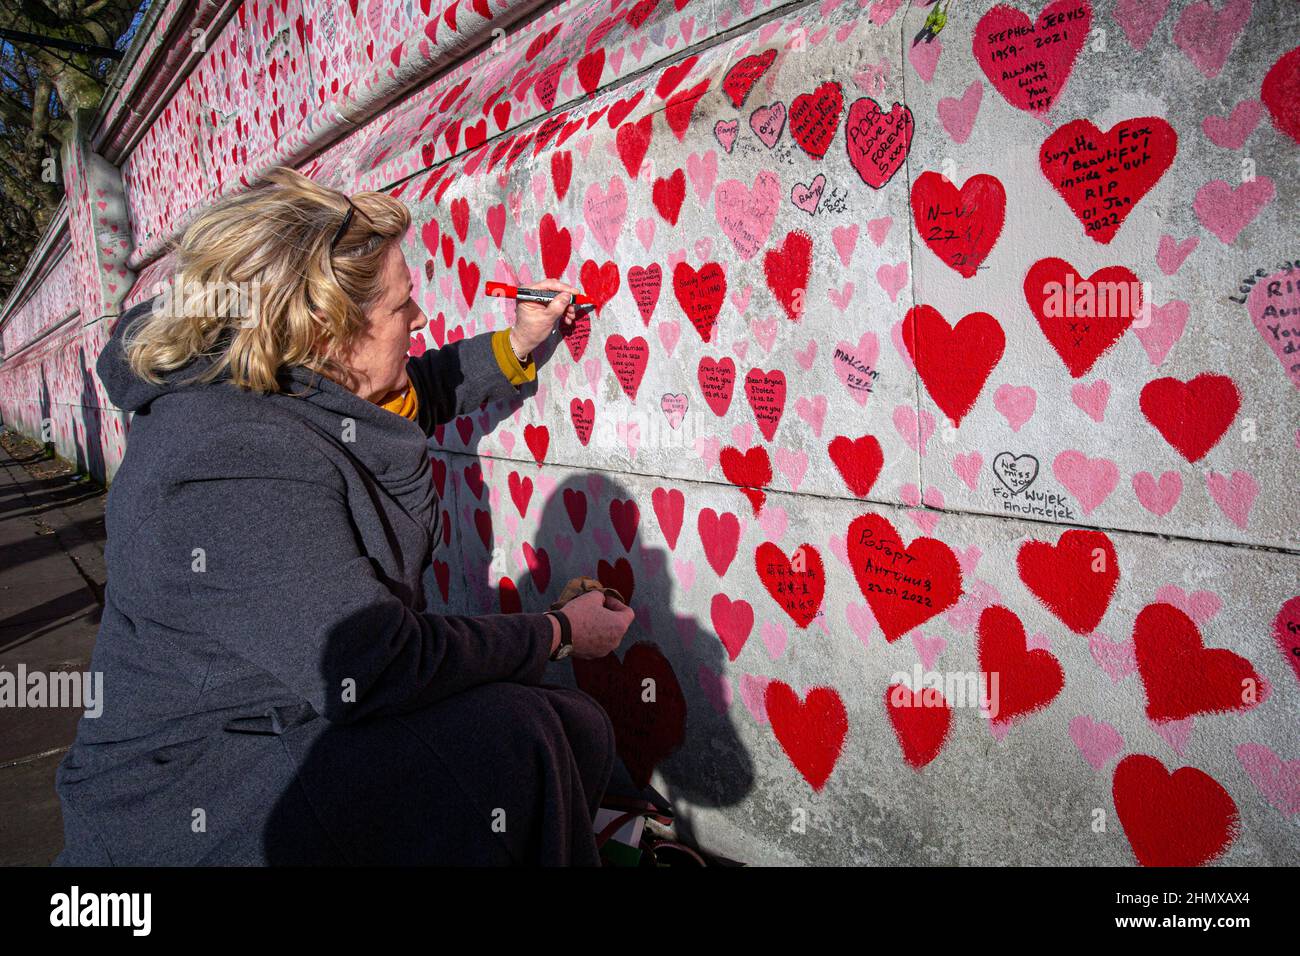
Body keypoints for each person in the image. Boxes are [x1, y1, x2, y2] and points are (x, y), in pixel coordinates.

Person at [53, 165, 636, 865]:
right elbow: (377, 664)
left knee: (574, 727)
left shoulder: (279, 382)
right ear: (327, 329)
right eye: (401, 307)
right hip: (187, 792)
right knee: (518, 738)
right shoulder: (227, 459)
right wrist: (558, 631)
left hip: (280, 718)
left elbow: (403, 397)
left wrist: (517, 344)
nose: (419, 319)